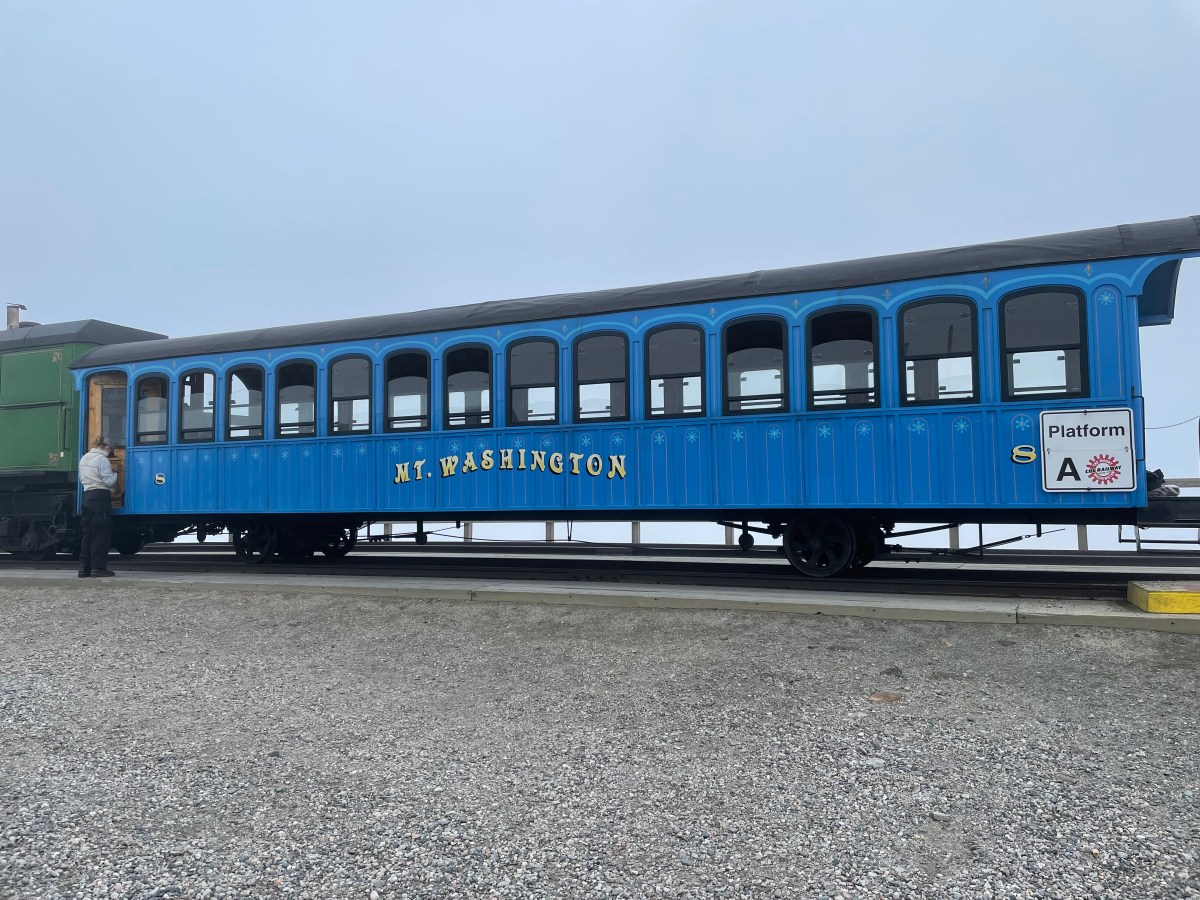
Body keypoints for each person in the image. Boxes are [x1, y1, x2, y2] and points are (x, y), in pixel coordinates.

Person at [78, 436, 118, 577]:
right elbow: (108, 481)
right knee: (101, 533)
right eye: (109, 448)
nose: (110, 450)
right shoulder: (102, 460)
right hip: (100, 497)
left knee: (87, 533)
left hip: (87, 496)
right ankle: (98, 568)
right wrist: (116, 474)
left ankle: (84, 568)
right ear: (104, 446)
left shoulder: (84, 458)